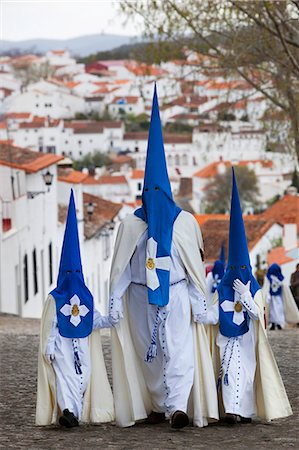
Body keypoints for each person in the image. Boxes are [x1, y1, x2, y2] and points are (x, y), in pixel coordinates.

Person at [109, 85, 218, 429]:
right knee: (150, 356)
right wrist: (114, 299)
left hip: (178, 295)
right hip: (142, 297)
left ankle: (178, 407)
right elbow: (123, 268)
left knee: (181, 353)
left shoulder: (185, 223)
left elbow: (193, 265)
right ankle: (159, 403)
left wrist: (200, 299)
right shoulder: (130, 225)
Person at [205, 168, 292, 424]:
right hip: (226, 340)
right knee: (230, 372)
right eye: (235, 269)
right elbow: (214, 313)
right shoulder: (222, 290)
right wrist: (199, 313)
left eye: (243, 269)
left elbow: (257, 314)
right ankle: (231, 411)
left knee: (246, 374)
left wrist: (246, 296)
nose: (239, 274)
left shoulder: (253, 288)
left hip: (247, 341)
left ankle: (242, 411)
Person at [36, 190, 114, 427]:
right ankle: (69, 412)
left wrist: (113, 317)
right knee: (64, 378)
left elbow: (95, 320)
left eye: (76, 273)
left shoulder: (86, 297)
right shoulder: (54, 298)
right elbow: (50, 324)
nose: (73, 277)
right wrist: (49, 346)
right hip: (61, 345)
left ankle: (75, 412)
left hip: (81, 345)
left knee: (82, 378)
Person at [264, 263, 299, 330]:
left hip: (279, 297)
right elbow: (266, 287)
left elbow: (284, 288)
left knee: (279, 310)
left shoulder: (280, 278)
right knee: (272, 311)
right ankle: (273, 323)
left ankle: (279, 323)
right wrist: (267, 294)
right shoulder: (268, 278)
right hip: (271, 298)